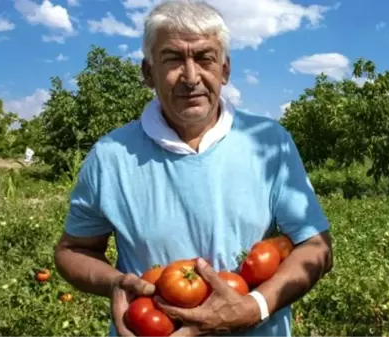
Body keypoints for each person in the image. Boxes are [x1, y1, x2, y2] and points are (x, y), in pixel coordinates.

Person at [53, 0, 333, 336]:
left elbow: (315, 246)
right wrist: (115, 283)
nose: (190, 77)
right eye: (172, 59)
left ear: (225, 70)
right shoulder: (110, 156)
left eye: (204, 58)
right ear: (147, 73)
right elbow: (74, 250)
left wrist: (256, 306)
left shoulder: (270, 143)